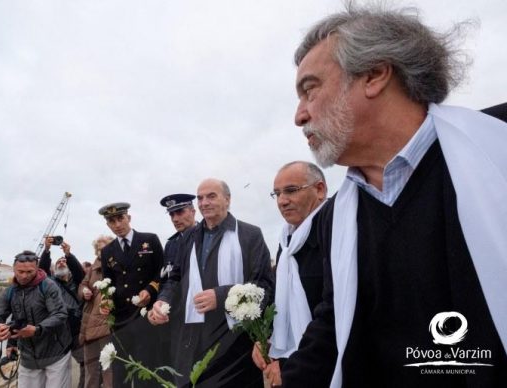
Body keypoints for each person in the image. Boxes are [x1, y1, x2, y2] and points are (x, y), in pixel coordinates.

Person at [283, 3, 507, 388]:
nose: (299, 116)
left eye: (310, 89)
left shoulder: (498, 147)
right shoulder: (335, 219)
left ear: (373, 75)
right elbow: (333, 326)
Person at [149, 178, 275, 387]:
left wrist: (222, 295)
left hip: (235, 338)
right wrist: (162, 301)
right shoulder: (188, 237)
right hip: (193, 337)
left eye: (211, 196)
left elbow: (264, 286)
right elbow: (175, 278)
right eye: (200, 198)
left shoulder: (249, 235)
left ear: (227, 199)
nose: (204, 202)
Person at [251, 161, 327, 387]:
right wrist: (264, 338)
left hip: (324, 362)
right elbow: (277, 298)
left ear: (320, 189)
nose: (282, 201)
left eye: (291, 190)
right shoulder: (286, 242)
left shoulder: (336, 230)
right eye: (277, 194)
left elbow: (333, 309)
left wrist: (292, 363)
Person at [0, 251, 71, 388]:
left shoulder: (48, 286)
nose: (24, 276)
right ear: (14, 269)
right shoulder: (10, 292)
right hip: (28, 358)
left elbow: (60, 314)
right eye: (20, 272)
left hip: (56, 354)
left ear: (37, 268)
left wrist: (37, 330)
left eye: (29, 272)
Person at [98, 202, 164, 388]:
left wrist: (150, 290)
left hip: (146, 316)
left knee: (148, 369)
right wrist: (106, 300)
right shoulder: (107, 251)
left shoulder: (149, 240)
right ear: (108, 225)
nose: (117, 224)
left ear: (129, 218)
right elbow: (108, 283)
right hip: (121, 320)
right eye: (112, 221)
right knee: (122, 372)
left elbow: (162, 272)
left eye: (120, 218)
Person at [158, 193, 198, 366]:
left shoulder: (205, 236)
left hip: (201, 312)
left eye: (180, 212)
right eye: (172, 215)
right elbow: (169, 278)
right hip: (177, 317)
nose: (175, 218)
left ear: (193, 211)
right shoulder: (171, 244)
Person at [39, 237, 86, 388]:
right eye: (58, 262)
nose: (61, 263)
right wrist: (46, 250)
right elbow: (43, 270)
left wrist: (68, 255)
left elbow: (80, 272)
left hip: (76, 331)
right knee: (57, 370)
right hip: (57, 334)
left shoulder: (77, 282)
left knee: (85, 362)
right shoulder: (50, 282)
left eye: (63, 262)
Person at [79, 235, 115, 388]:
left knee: (109, 367)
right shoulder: (94, 267)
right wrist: (84, 291)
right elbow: (82, 285)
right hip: (90, 322)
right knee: (91, 366)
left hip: (107, 323)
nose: (102, 252)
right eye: (99, 249)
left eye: (105, 248)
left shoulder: (117, 265)